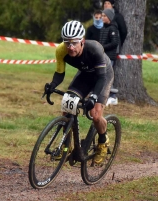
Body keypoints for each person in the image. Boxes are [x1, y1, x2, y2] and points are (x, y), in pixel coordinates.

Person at [44, 20, 114, 164]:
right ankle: (66, 146)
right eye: (67, 43)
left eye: (74, 43)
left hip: (103, 75)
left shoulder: (94, 49)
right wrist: (53, 84)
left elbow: (101, 77)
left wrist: (94, 97)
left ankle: (103, 141)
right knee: (66, 107)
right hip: (85, 75)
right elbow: (59, 73)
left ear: (82, 41)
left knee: (95, 115)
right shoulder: (61, 51)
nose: (70, 47)